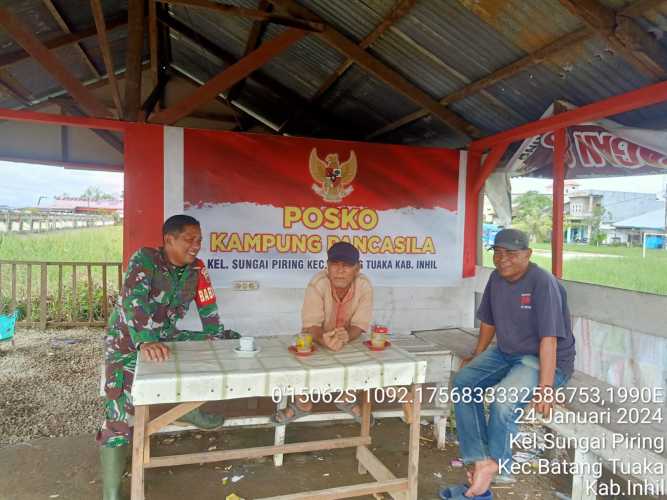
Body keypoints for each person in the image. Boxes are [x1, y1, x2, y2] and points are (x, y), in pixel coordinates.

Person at [97, 214, 239, 500]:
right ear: (169, 240)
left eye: (199, 240)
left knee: (224, 340)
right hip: (127, 342)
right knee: (118, 416)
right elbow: (131, 300)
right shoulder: (145, 260)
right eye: (190, 239)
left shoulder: (197, 269)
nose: (196, 245)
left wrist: (217, 337)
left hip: (164, 337)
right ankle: (111, 493)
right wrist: (145, 341)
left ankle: (190, 408)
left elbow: (208, 306)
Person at [440, 228, 576, 499]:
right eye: (498, 253)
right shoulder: (496, 278)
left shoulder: (543, 283)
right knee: (464, 383)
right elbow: (488, 320)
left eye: (511, 253)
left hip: (545, 358)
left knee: (503, 400)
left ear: (528, 254)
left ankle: (498, 464)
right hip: (507, 352)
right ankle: (481, 459)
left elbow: (549, 339)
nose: (503, 259)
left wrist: (546, 387)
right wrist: (478, 353)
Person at [272, 241, 373, 424]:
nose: (340, 270)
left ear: (358, 268)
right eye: (335, 264)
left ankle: (347, 398)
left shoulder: (364, 285)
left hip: (348, 338)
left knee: (366, 358)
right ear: (327, 267)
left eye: (347, 265)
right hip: (317, 336)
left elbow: (359, 324)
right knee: (300, 356)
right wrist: (323, 339)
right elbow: (311, 324)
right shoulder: (318, 284)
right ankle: (302, 406)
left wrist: (347, 336)